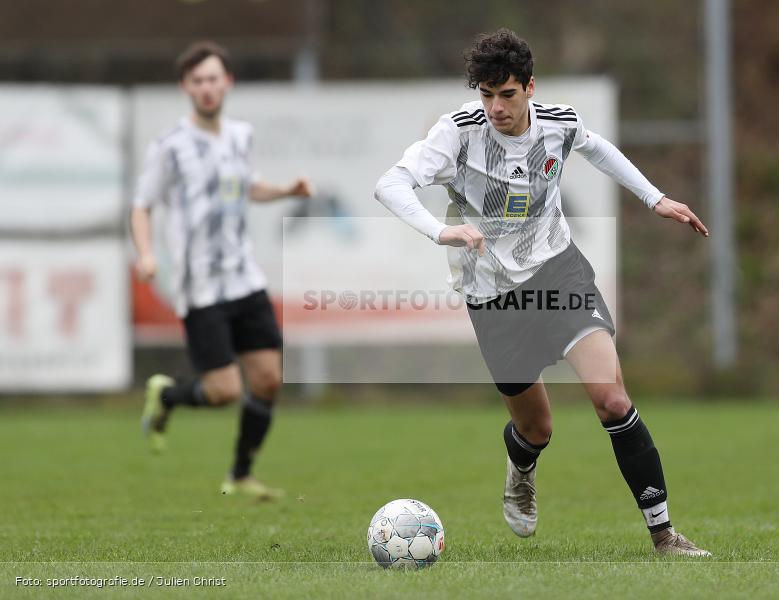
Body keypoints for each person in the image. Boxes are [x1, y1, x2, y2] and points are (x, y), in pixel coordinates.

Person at [375, 29, 711, 555]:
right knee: (536, 428)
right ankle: (521, 465)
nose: (495, 108)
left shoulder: (558, 124)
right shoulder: (458, 133)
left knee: (611, 398)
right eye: (485, 95)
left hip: (559, 272)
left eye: (506, 94)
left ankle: (664, 535)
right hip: (492, 296)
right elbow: (390, 183)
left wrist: (656, 198)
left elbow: (597, 148)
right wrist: (441, 230)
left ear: (530, 87)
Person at [130, 41, 314, 500]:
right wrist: (147, 254)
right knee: (224, 391)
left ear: (227, 82)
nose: (207, 88)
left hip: (244, 276)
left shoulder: (239, 136)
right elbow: (142, 206)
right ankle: (167, 396)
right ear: (185, 88)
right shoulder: (170, 148)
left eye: (214, 79)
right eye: (198, 81)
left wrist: (286, 190)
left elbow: (246, 187)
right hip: (201, 286)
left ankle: (239, 475)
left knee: (269, 378)